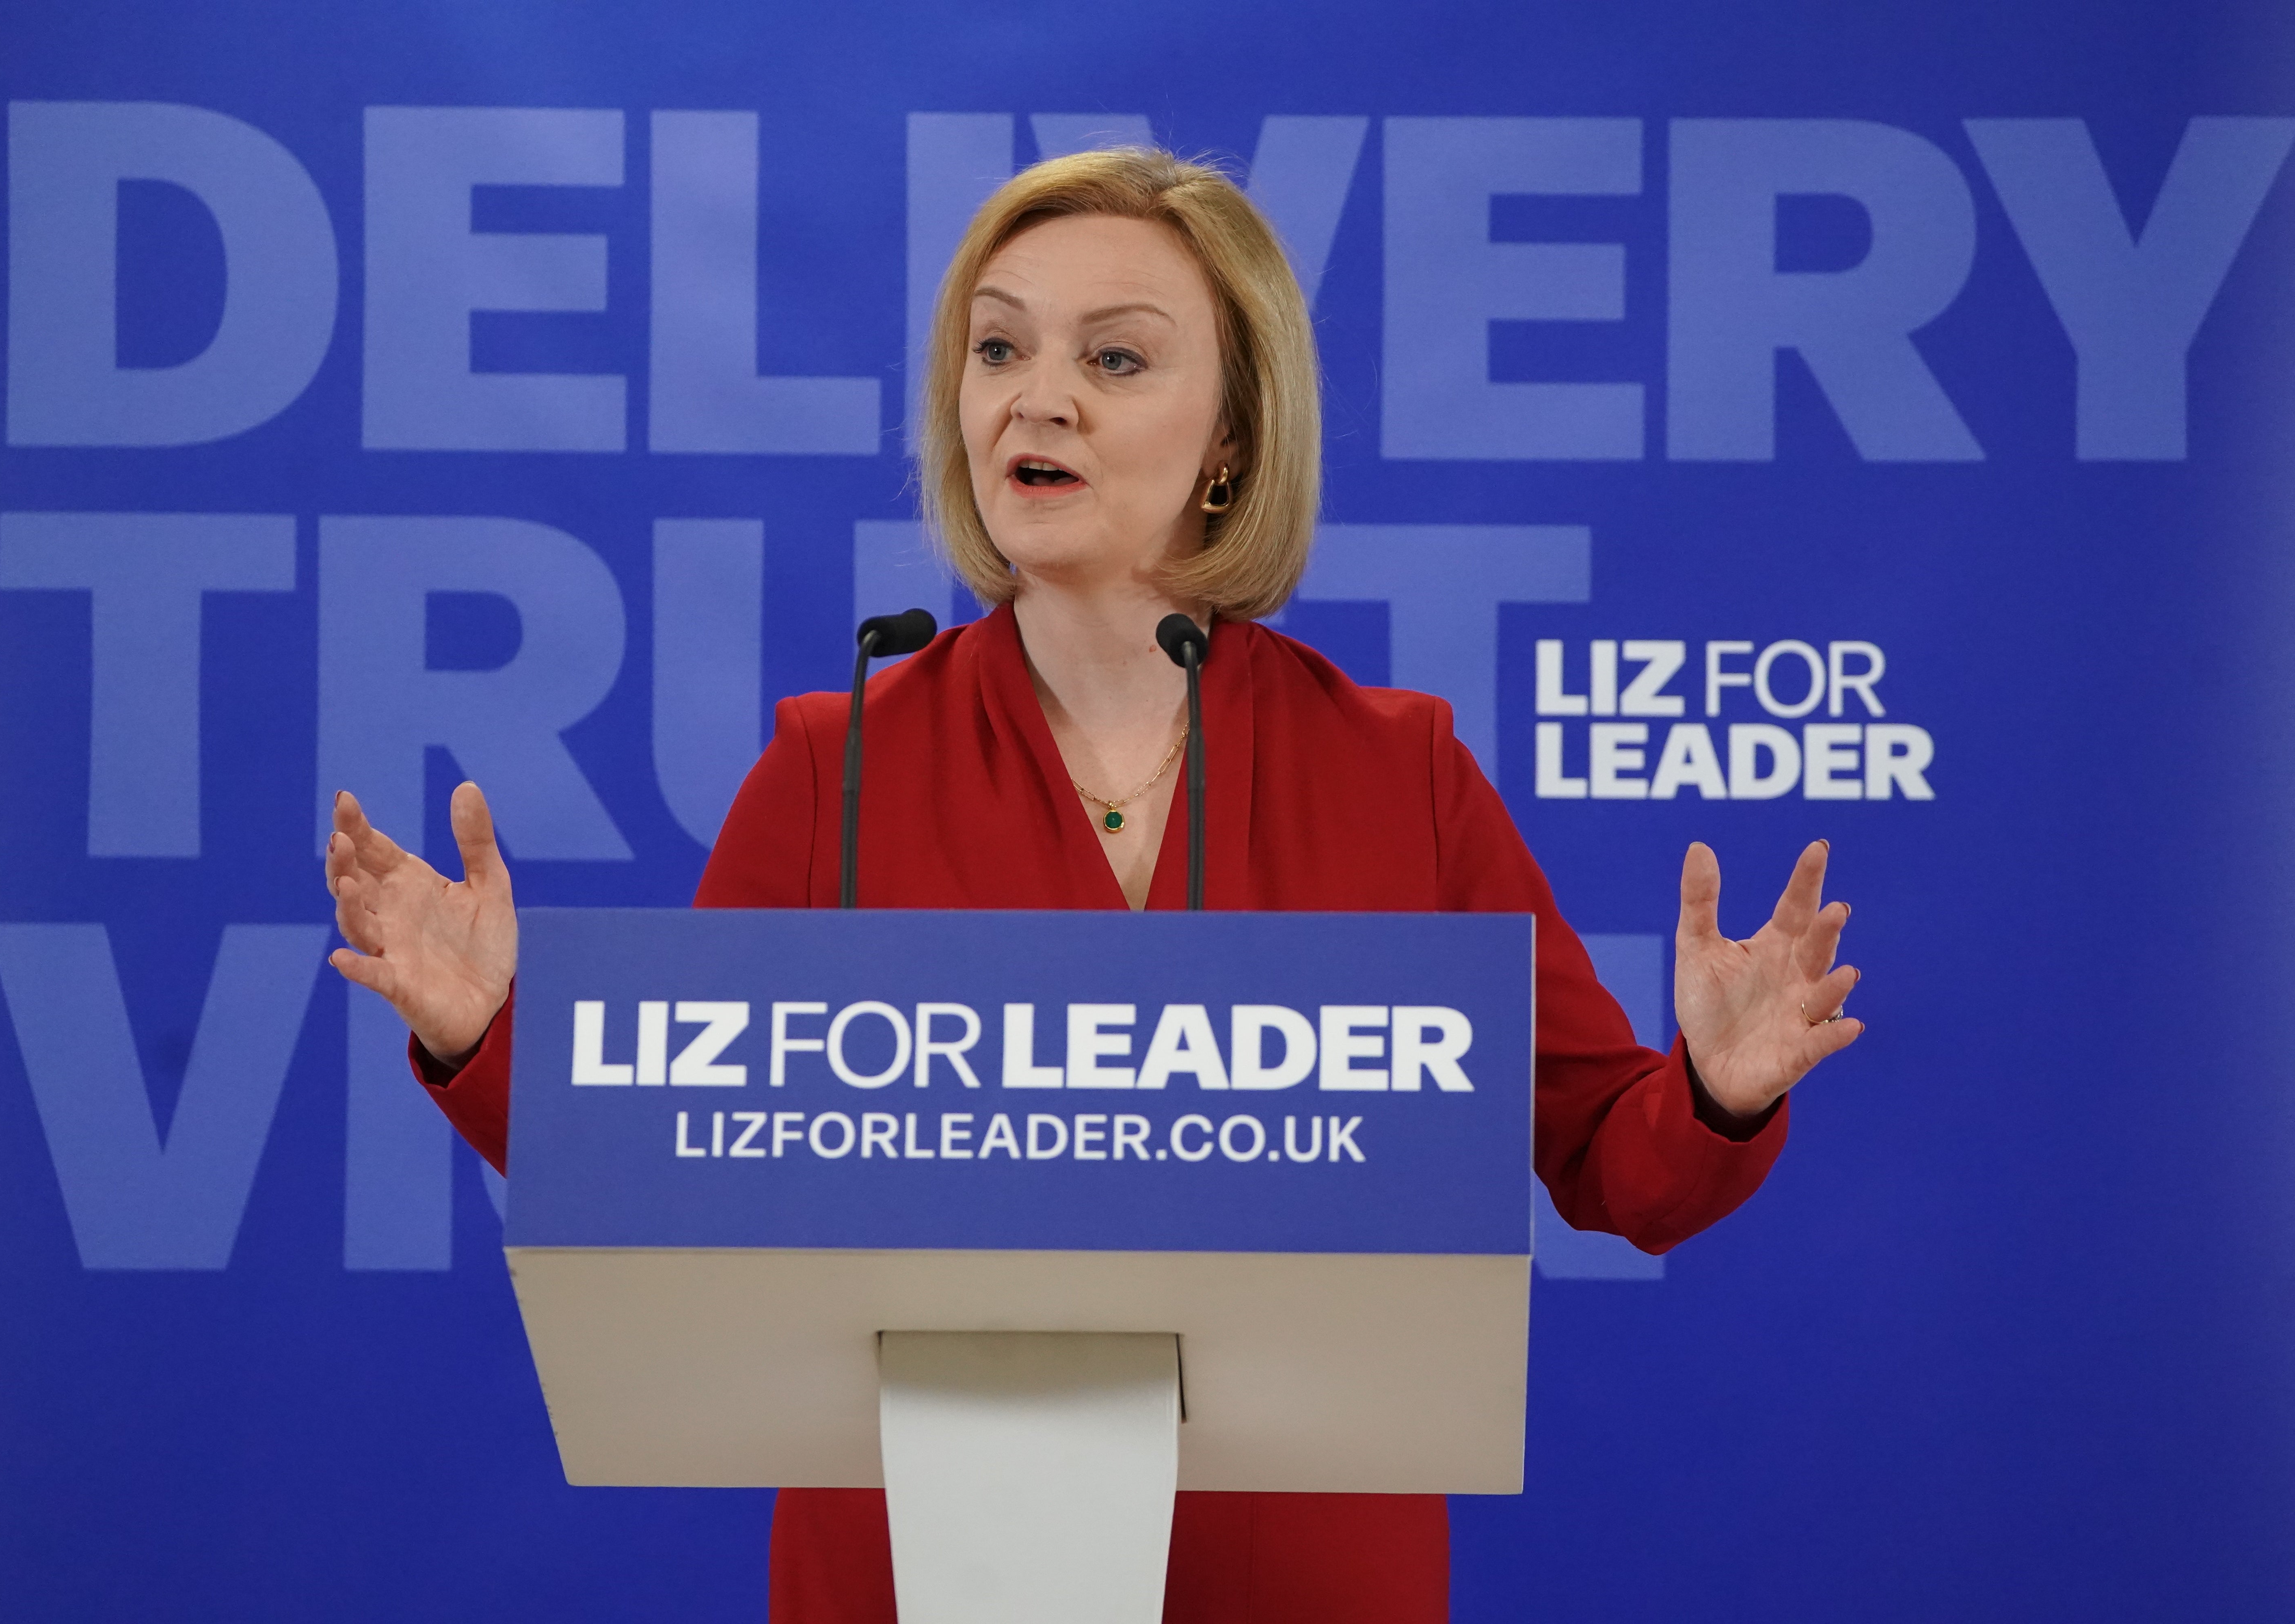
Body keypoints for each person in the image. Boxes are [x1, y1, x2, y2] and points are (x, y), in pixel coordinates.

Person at [324, 147, 1863, 1624]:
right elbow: (671, 1170)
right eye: (998, 353)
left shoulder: (1401, 773)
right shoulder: (831, 774)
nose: (1035, 398)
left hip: (1299, 1576)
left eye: (1114, 361)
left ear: (1235, 442)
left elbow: (1613, 1161)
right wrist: (486, 1037)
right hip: (919, 1572)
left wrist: (1717, 1091)